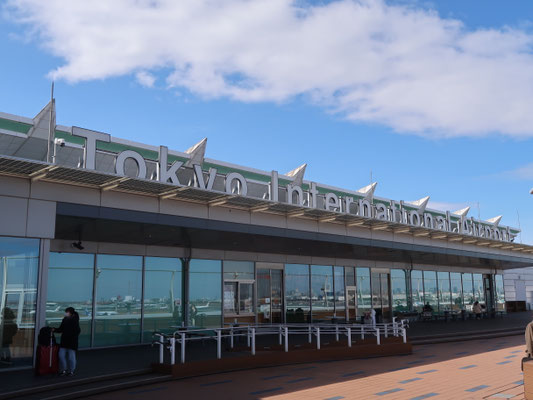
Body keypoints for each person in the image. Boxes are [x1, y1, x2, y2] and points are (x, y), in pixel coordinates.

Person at [53, 307, 81, 376]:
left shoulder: (75, 320)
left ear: (71, 313)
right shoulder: (65, 319)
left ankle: (71, 371)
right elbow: (61, 329)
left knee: (71, 358)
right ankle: (64, 369)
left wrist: (71, 336)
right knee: (61, 355)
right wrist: (54, 330)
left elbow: (78, 331)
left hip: (71, 342)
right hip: (64, 341)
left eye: (67, 312)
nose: (66, 313)